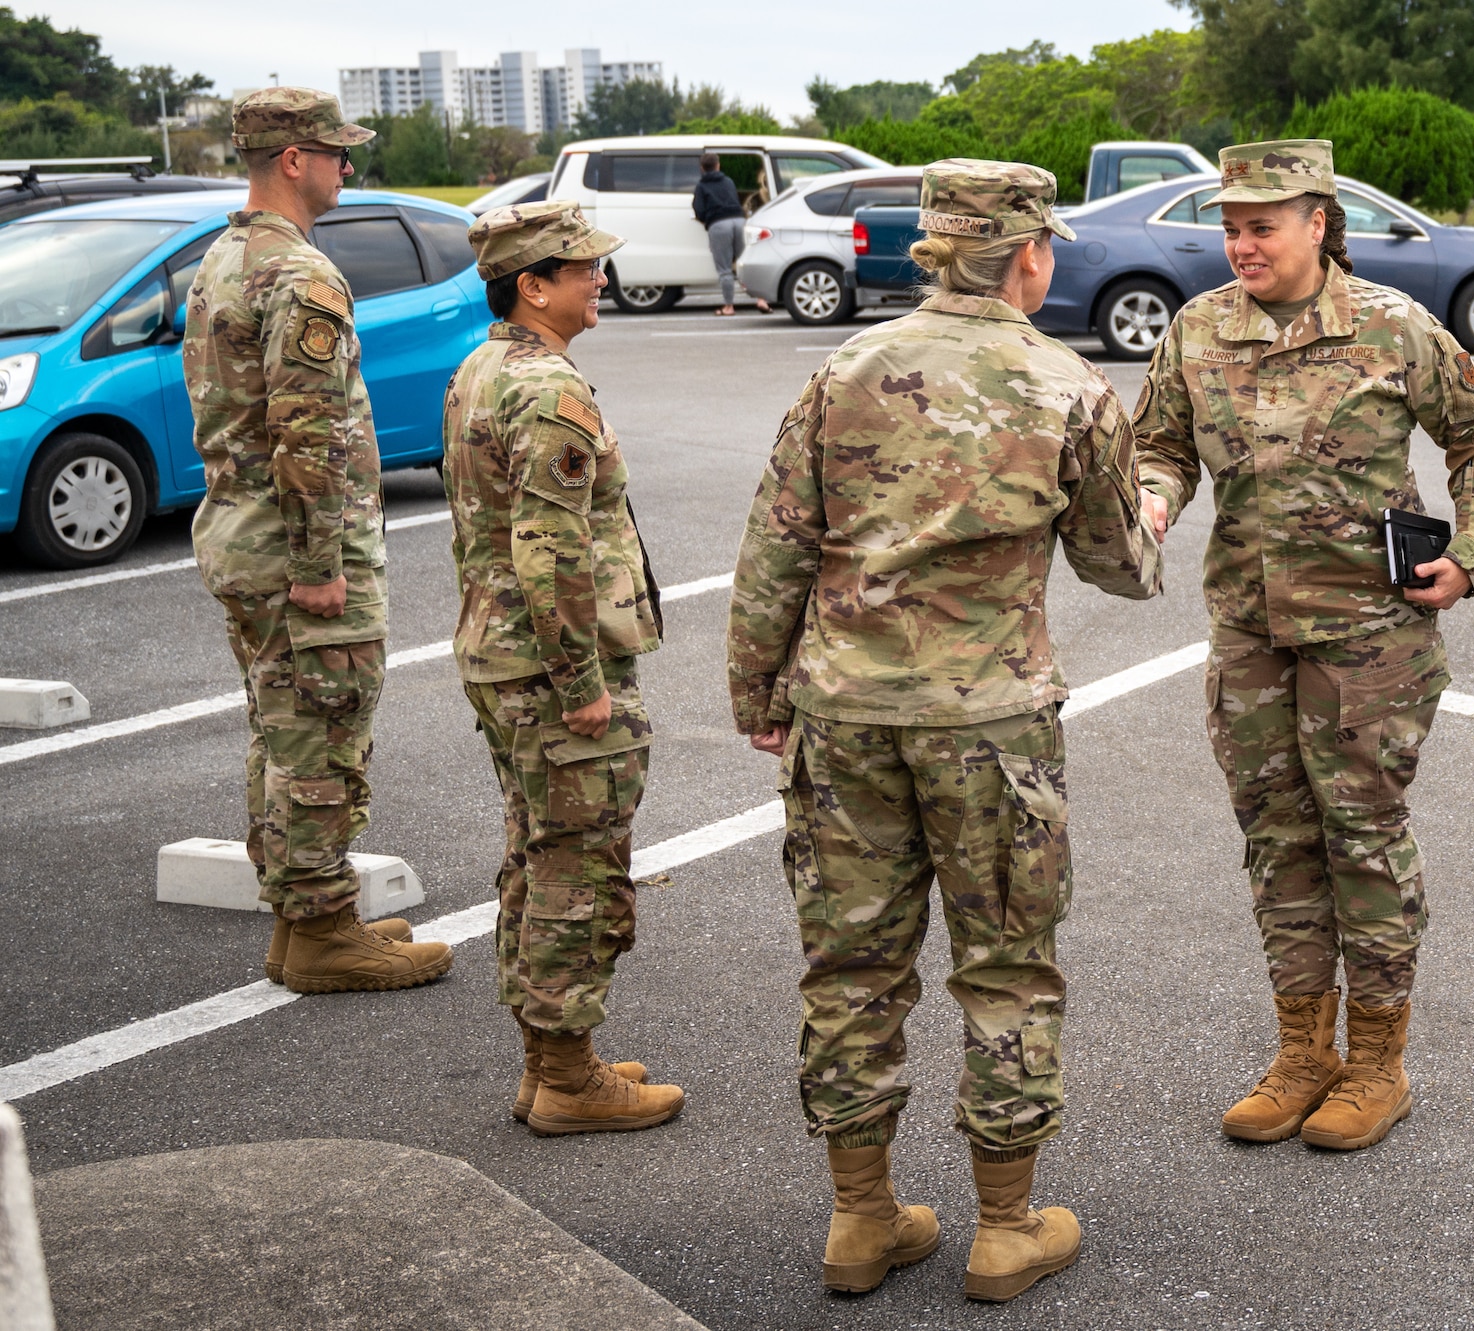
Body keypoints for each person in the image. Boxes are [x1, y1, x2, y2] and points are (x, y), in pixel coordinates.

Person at [725, 159, 1161, 1302]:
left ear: (931, 248)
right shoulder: (1064, 382)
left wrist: (757, 693)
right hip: (989, 723)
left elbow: (774, 545)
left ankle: (861, 1218)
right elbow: (1122, 569)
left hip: (845, 716)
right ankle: (1004, 1224)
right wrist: (1149, 508)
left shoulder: (842, 367)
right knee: (1007, 963)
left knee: (851, 966)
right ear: (1027, 253)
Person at [1133, 140, 1474, 1152]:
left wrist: (1471, 553)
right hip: (1251, 632)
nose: (1239, 243)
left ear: (1316, 221)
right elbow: (1160, 446)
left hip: (1367, 637)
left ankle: (1377, 1063)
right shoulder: (1196, 329)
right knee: (1275, 836)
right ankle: (1302, 1049)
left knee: (1361, 834)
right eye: (1228, 225)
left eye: (1260, 225)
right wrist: (1154, 498)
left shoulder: (1390, 328)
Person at [182, 87, 452, 994]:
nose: (347, 167)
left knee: (282, 729)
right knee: (322, 736)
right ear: (291, 160)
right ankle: (325, 931)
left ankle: (304, 921)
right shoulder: (299, 275)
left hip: (240, 535)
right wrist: (319, 568)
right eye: (337, 153)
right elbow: (308, 431)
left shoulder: (220, 259)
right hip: (291, 551)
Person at [442, 200, 682, 1136]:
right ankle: (570, 1077)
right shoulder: (548, 390)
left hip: (504, 655)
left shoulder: (485, 366)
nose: (601, 280)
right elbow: (552, 551)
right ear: (532, 286)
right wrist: (582, 685)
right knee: (579, 865)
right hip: (550, 667)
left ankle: (551, 1062)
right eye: (583, 269)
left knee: (538, 853)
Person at [692, 152, 769, 315]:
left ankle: (729, 307)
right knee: (746, 263)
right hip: (739, 221)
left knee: (725, 269)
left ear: (702, 168)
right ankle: (761, 299)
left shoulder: (701, 186)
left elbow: (698, 210)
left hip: (719, 225)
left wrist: (707, 219)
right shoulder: (728, 181)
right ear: (718, 165)